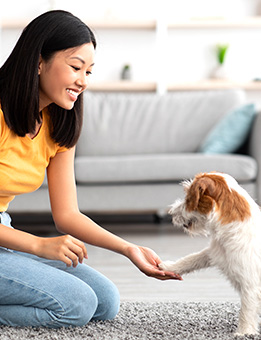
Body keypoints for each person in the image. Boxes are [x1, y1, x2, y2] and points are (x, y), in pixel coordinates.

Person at [0, 10, 181, 329]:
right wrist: (39, 245)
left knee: (105, 301)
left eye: (89, 71)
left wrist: (129, 248)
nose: (83, 81)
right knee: (77, 304)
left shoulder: (58, 123)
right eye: (75, 67)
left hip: (5, 234)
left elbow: (67, 215)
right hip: (11, 237)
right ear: (39, 61)